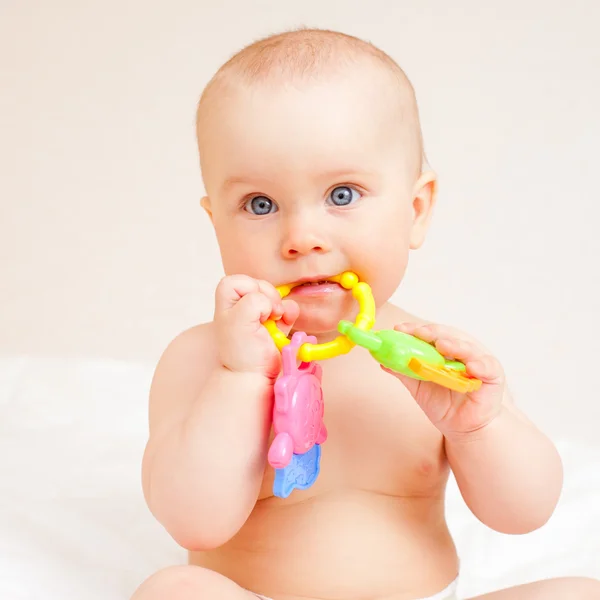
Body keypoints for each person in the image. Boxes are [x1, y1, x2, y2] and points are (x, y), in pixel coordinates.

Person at [132, 28, 600, 600]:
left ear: (416, 209)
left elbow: (525, 512)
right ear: (216, 224)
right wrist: (240, 380)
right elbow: (192, 521)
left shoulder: (428, 357)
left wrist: (479, 424)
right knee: (173, 590)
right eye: (260, 204)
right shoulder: (202, 360)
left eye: (342, 194)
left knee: (581, 591)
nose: (302, 237)